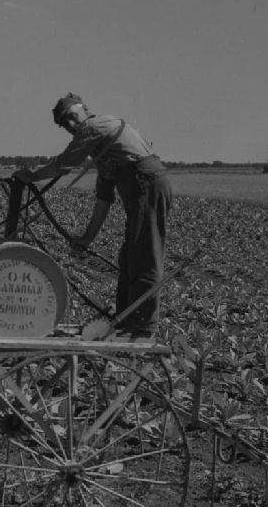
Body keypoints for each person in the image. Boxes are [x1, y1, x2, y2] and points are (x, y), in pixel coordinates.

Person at [11, 93, 171, 338]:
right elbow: (103, 199)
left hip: (147, 183)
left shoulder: (94, 126)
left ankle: (142, 327)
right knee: (130, 256)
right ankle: (125, 319)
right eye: (65, 123)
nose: (71, 124)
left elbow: (64, 164)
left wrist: (31, 175)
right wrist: (87, 238)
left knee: (144, 254)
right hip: (142, 186)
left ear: (84, 109)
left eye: (72, 116)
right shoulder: (104, 153)